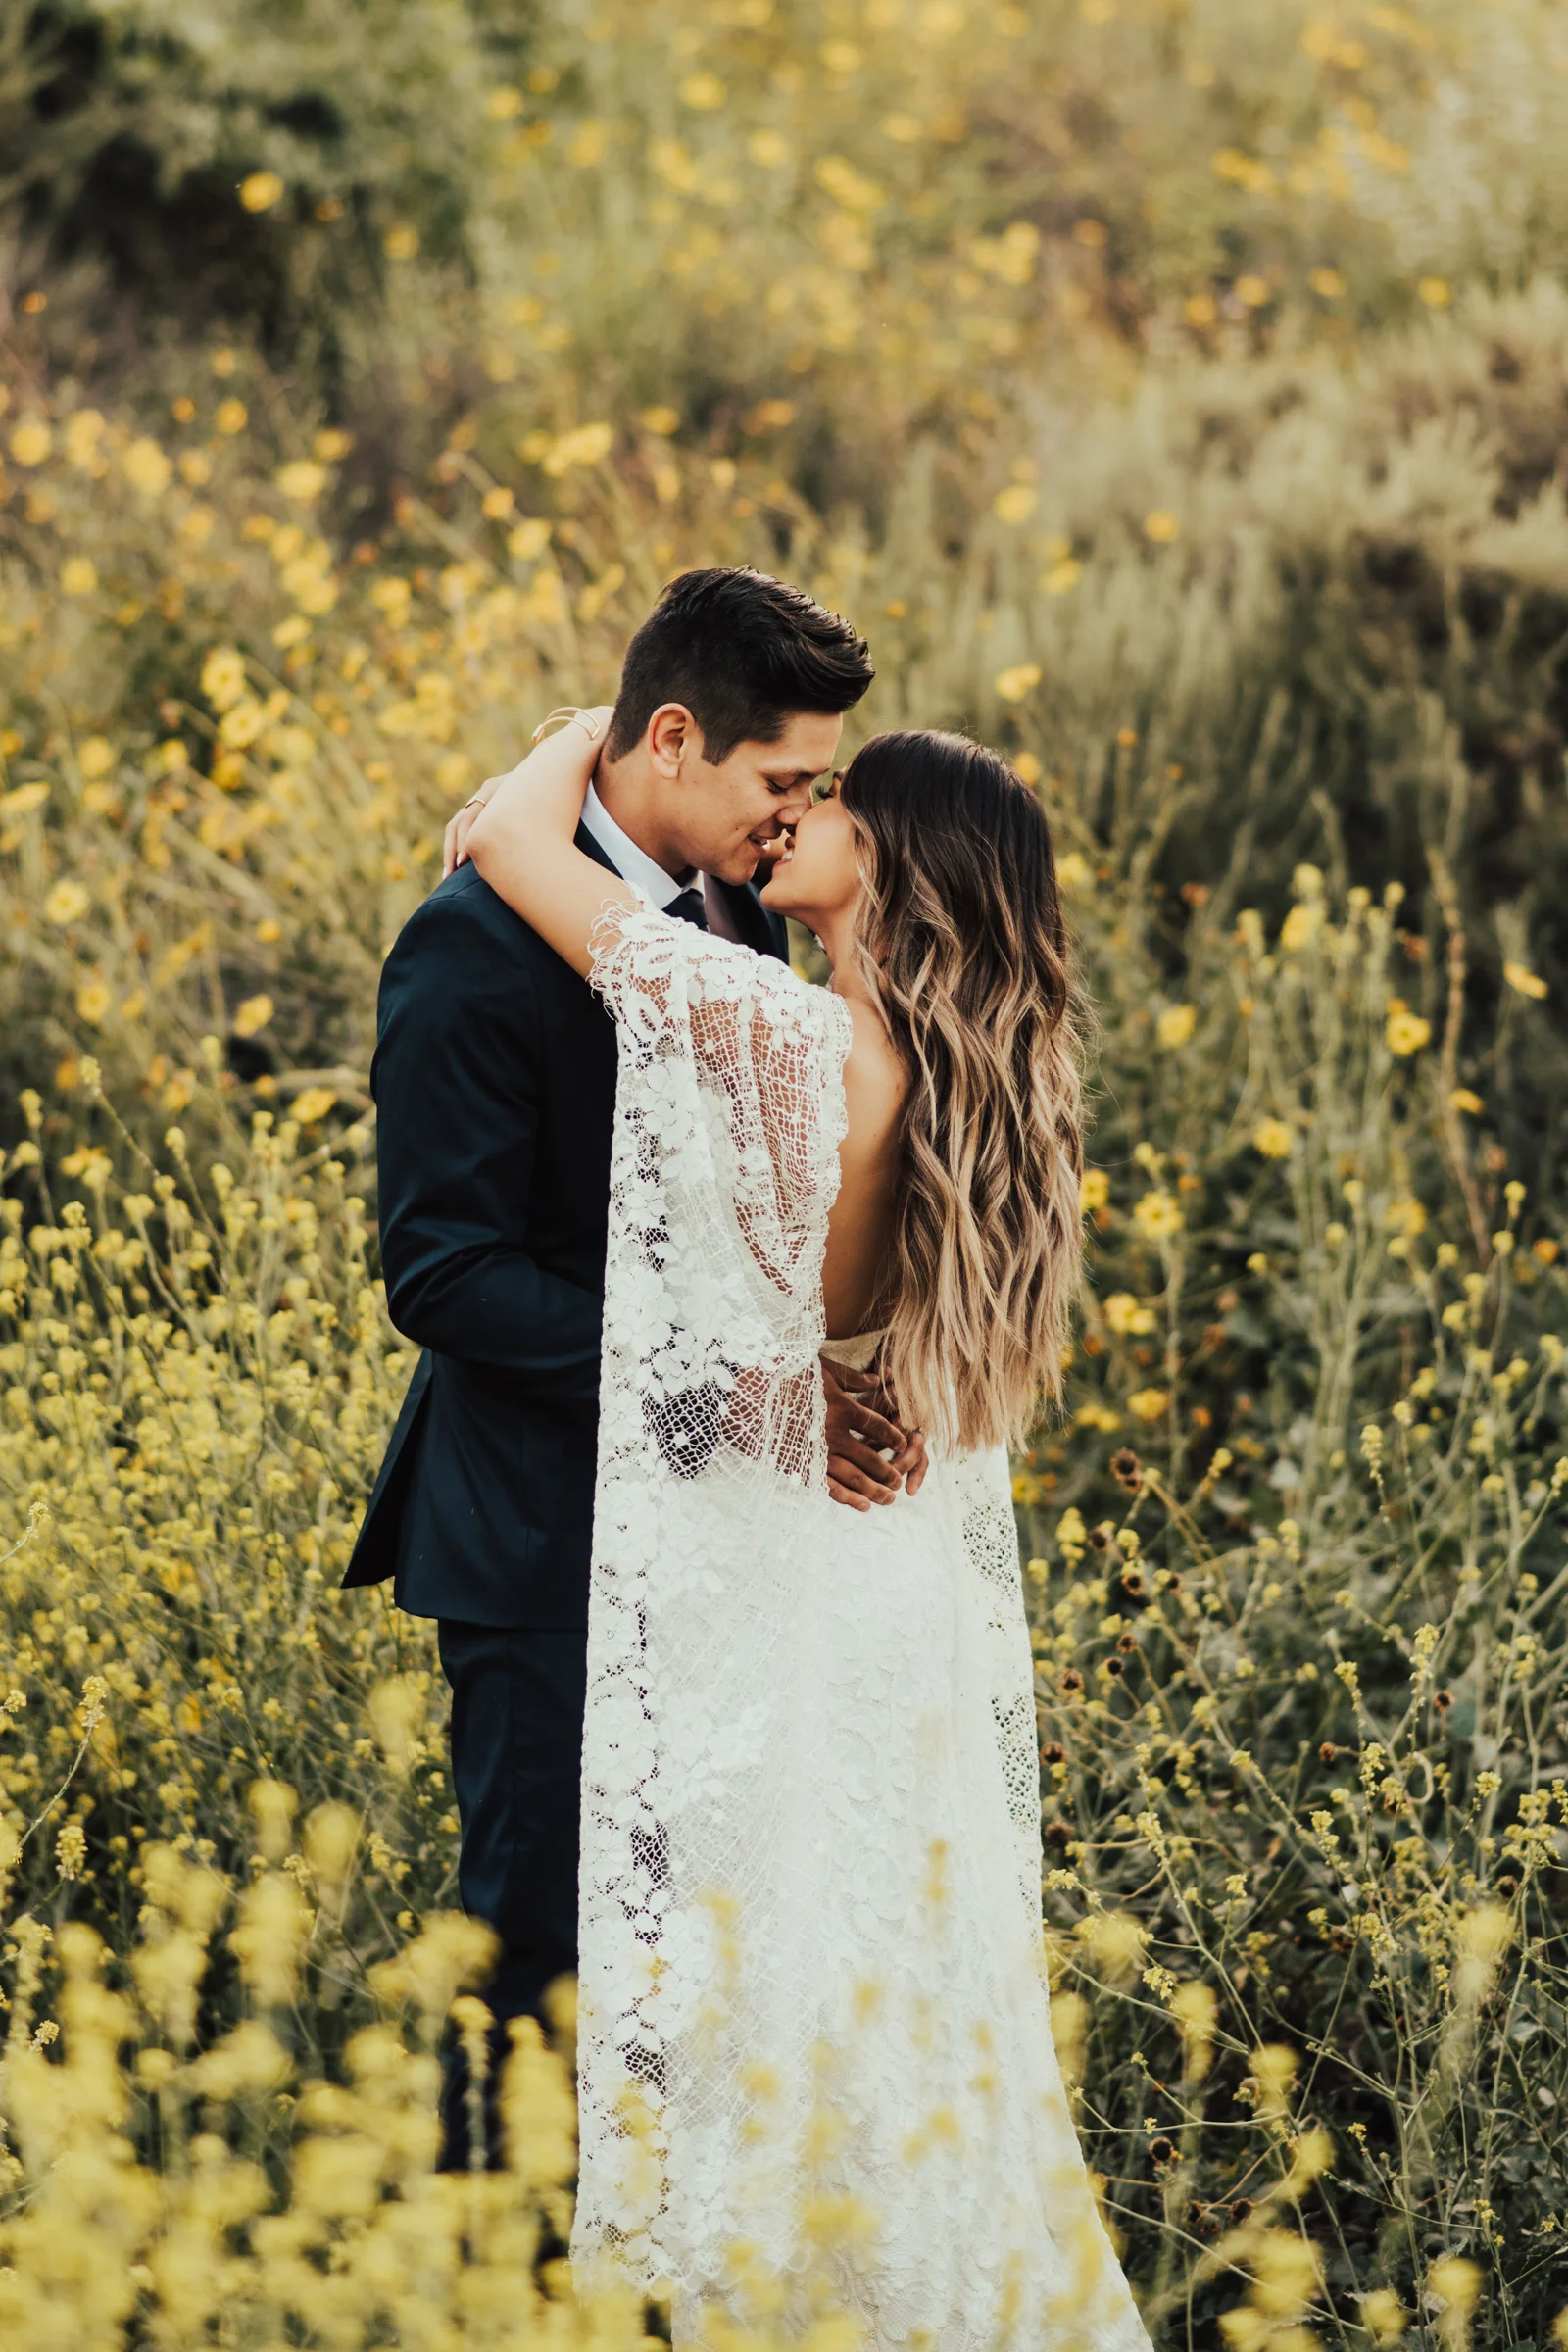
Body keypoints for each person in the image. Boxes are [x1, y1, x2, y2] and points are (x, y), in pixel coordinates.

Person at [463, 710, 1154, 2350]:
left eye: (830, 803)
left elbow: (508, 841)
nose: (793, 821)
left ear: (891, 864)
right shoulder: (985, 1083)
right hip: (887, 1569)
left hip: (781, 1557)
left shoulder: (791, 1038)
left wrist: (603, 728)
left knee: (764, 1964)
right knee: (890, 1976)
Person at [341, 569, 926, 2168]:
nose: (799, 812)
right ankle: (498, 2288)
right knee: (539, 1962)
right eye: (780, 780)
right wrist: (742, 1393)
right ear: (672, 737)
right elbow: (445, 1276)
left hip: (722, 1533)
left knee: (697, 1963)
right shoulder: (466, 948)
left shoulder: (741, 921)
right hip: (540, 1539)